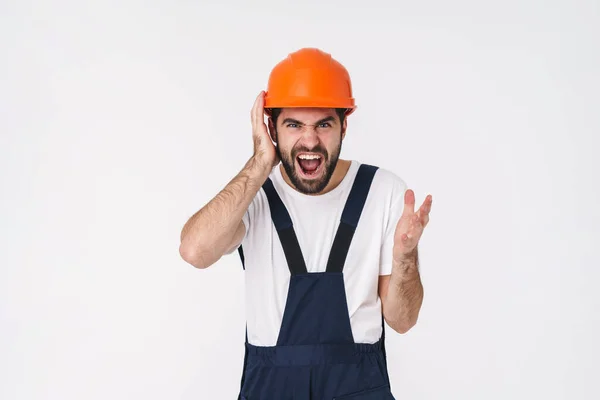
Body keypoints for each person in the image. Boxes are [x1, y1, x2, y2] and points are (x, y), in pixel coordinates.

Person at [179, 48, 432, 399]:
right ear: (271, 127)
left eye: (324, 124)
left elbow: (403, 321)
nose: (310, 141)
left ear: (344, 124)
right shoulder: (254, 195)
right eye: (294, 124)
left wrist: (405, 257)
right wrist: (259, 162)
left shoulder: (384, 192)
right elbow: (194, 251)